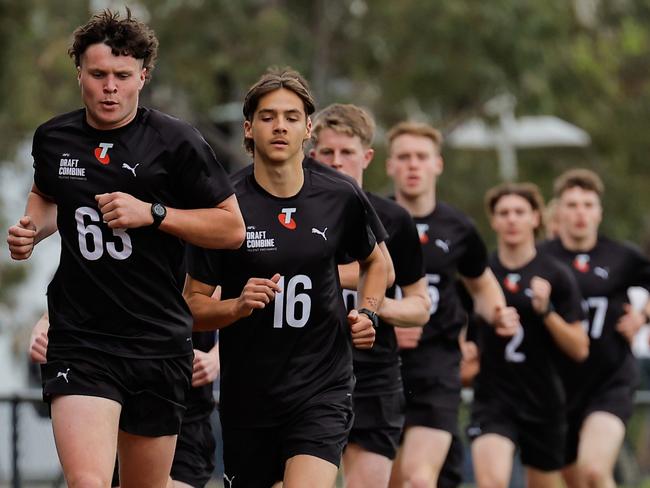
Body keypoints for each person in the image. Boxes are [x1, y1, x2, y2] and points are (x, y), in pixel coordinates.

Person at [7, 9, 244, 488]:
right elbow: (48, 195)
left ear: (143, 76)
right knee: (89, 482)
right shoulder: (55, 138)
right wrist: (33, 229)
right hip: (82, 337)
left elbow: (232, 229)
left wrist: (153, 213)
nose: (109, 87)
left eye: (121, 76)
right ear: (80, 74)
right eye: (98, 75)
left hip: (156, 339)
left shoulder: (176, 143)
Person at [183, 68, 387, 488]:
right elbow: (192, 308)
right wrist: (237, 306)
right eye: (268, 116)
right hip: (248, 399)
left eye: (292, 117)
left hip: (322, 389)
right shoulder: (224, 207)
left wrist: (368, 313)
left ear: (308, 128)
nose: (280, 126)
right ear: (248, 128)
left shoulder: (340, 196)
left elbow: (377, 263)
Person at [384, 121, 519, 488]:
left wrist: (498, 313)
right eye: (405, 157)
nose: (413, 165)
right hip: (378, 364)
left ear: (437, 165)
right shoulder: (370, 216)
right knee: (387, 481)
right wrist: (389, 319)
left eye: (421, 157)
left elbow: (482, 286)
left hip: (437, 365)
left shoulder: (458, 227)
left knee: (418, 479)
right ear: (389, 165)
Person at [310, 103, 430, 488]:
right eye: (327, 153)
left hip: (373, 375)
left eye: (347, 153)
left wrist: (376, 307)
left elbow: (420, 305)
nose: (337, 161)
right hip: (306, 371)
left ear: (367, 156)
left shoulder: (394, 220)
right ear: (313, 156)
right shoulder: (293, 214)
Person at [468, 182, 589, 488]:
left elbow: (579, 348)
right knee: (491, 482)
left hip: (543, 401)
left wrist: (546, 311)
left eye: (519, 212)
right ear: (493, 220)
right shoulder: (480, 274)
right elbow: (462, 336)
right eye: (503, 213)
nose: (511, 219)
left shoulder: (557, 274)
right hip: (493, 400)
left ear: (536, 218)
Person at [539, 169, 650, 488]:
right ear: (558, 211)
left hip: (610, 380)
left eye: (588, 204)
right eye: (572, 205)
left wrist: (641, 317)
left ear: (599, 212)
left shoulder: (622, 256)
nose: (580, 213)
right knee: (574, 480)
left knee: (593, 471)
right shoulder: (542, 258)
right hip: (558, 386)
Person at [29, 314, 220, 488]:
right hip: (114, 396)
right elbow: (64, 296)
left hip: (185, 408)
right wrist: (43, 327)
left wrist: (216, 358)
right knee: (89, 480)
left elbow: (239, 308)